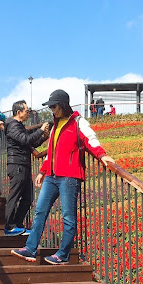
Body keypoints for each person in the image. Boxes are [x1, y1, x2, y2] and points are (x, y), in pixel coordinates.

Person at [12, 89, 115, 265]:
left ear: (63, 105)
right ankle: (30, 249)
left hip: (70, 176)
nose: (52, 109)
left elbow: (91, 140)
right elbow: (51, 150)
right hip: (52, 176)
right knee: (40, 211)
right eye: (50, 107)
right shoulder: (56, 124)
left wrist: (101, 155)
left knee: (68, 216)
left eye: (54, 106)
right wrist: (43, 171)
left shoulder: (78, 122)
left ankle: (63, 254)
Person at [3, 100, 50, 236]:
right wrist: (40, 130)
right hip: (17, 164)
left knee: (28, 197)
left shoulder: (19, 126)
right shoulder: (12, 125)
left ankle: (18, 224)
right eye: (26, 111)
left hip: (23, 164)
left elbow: (31, 142)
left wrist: (44, 136)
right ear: (19, 112)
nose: (28, 113)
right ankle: (9, 226)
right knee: (15, 196)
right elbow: (24, 139)